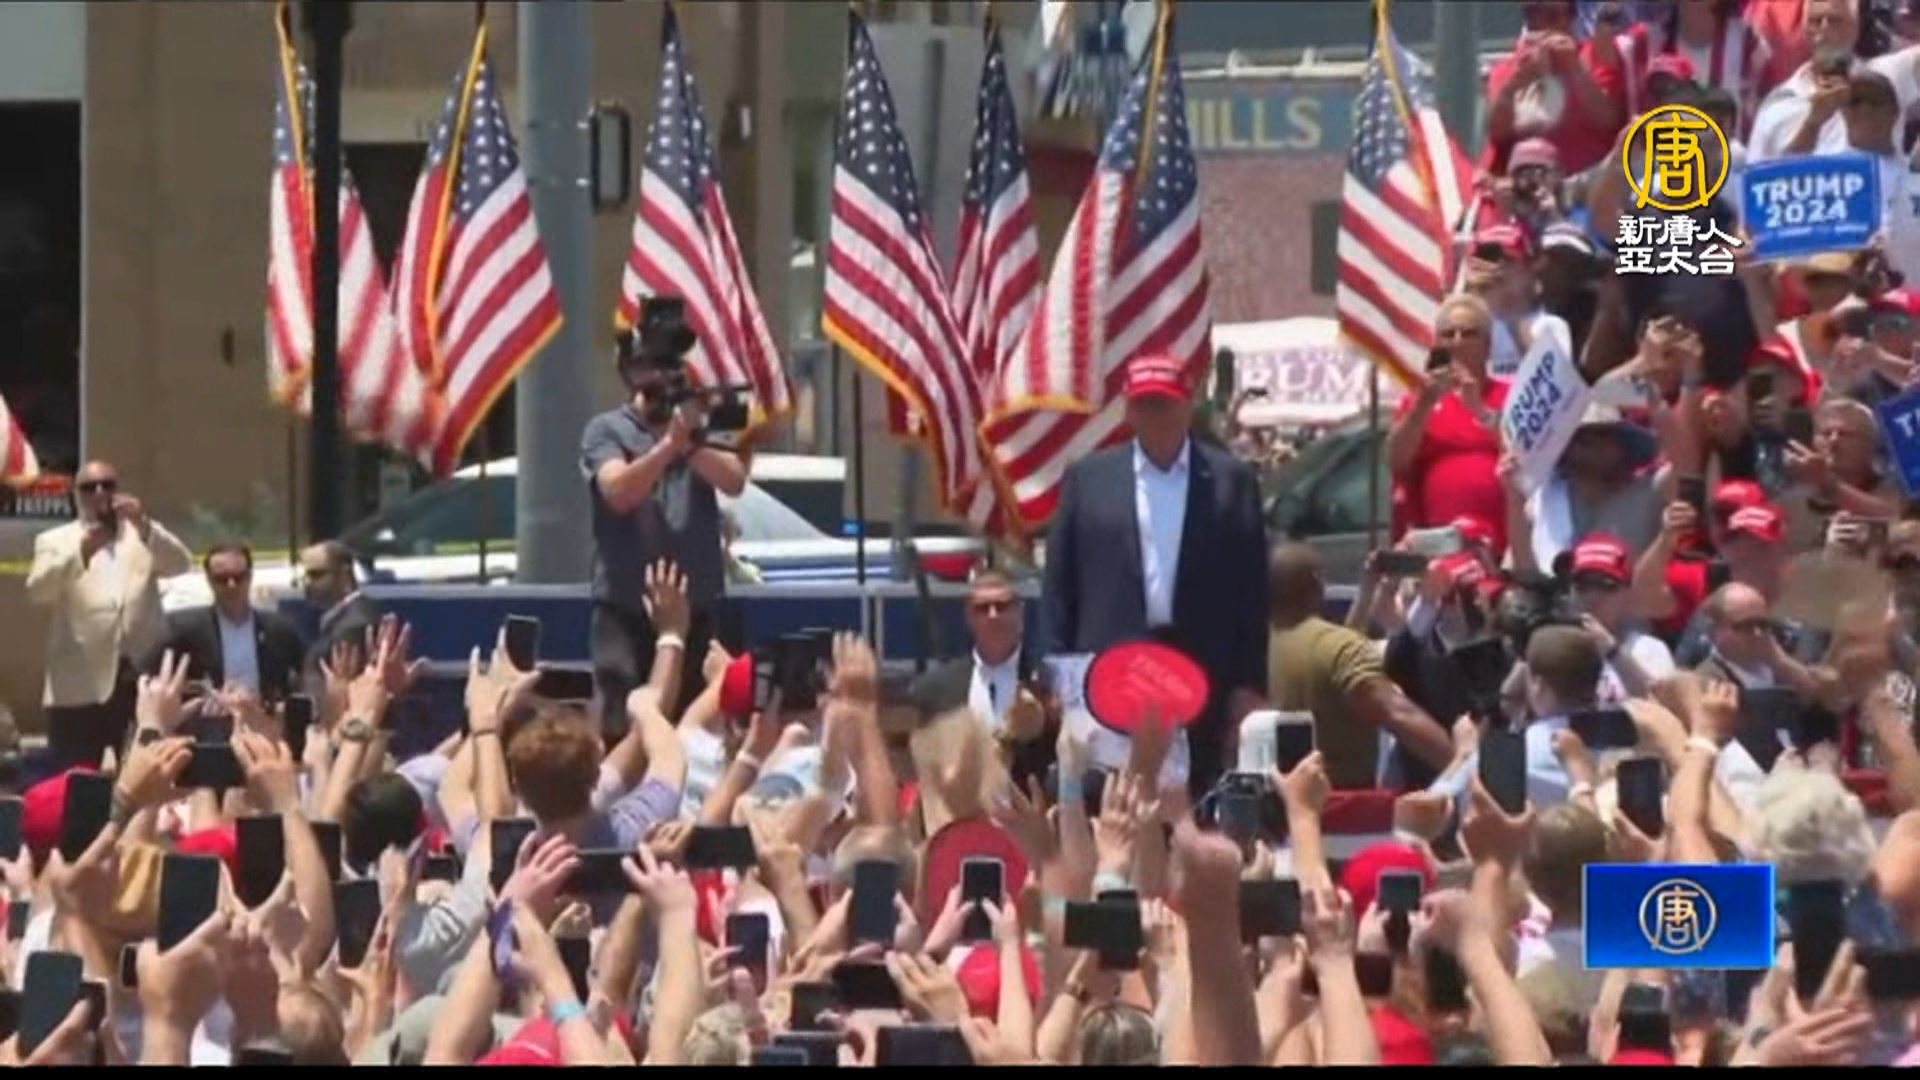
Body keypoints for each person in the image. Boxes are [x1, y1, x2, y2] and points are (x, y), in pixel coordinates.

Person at [1041, 352, 1269, 795]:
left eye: (1164, 403)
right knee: (1109, 799)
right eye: (1144, 404)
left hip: (1203, 671)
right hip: (1107, 671)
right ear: (1128, 409)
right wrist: (1056, 670)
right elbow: (1059, 584)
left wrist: (1250, 683)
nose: (1155, 415)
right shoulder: (1089, 480)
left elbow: (1252, 592)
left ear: (1187, 405)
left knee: (1194, 801)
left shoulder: (1231, 481)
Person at [582, 300, 748, 738]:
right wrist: (666, 446)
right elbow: (618, 492)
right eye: (650, 367)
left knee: (698, 732)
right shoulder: (607, 430)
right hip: (626, 609)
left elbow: (734, 480)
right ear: (630, 373)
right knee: (623, 726)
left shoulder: (697, 426)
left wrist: (689, 442)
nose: (661, 376)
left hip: (697, 608)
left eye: (669, 367)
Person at [25, 459, 192, 768]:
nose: (100, 493)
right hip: (80, 683)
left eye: (107, 485)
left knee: (146, 771)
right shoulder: (56, 541)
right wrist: (81, 553)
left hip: (139, 678)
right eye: (90, 487)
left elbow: (181, 563)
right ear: (77, 494)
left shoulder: (140, 534)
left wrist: (145, 525)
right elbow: (39, 590)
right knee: (75, 776)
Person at [1266, 543, 1452, 790]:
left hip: (1275, 799)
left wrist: (1367, 592)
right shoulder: (1337, 649)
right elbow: (1399, 714)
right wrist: (1463, 767)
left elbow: (1339, 650)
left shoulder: (1256, 649)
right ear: (1318, 584)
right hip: (1340, 804)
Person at [1388, 295, 1512, 556]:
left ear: (1488, 345)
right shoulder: (1418, 400)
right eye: (1448, 334)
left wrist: (1480, 410)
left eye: (1469, 333)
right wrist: (1424, 404)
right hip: (1437, 545)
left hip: (1505, 543)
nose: (1457, 341)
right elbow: (1396, 461)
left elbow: (1525, 455)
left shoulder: (1510, 395)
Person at [909, 569, 1053, 785]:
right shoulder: (936, 689)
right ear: (969, 617)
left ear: (1020, 613)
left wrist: (1043, 719)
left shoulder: (1049, 679)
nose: (993, 615)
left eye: (1002, 606)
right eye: (983, 608)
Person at [150, 542, 306, 700]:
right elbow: (150, 675)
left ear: (250, 577)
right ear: (209, 580)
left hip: (263, 713)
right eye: (222, 579)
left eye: (239, 578)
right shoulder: (183, 628)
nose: (231, 585)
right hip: (208, 713)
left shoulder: (278, 629)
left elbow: (308, 672)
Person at [299, 540, 380, 672]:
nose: (307, 583)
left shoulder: (354, 625)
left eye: (316, 575)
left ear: (344, 576)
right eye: (305, 576)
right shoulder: (337, 618)